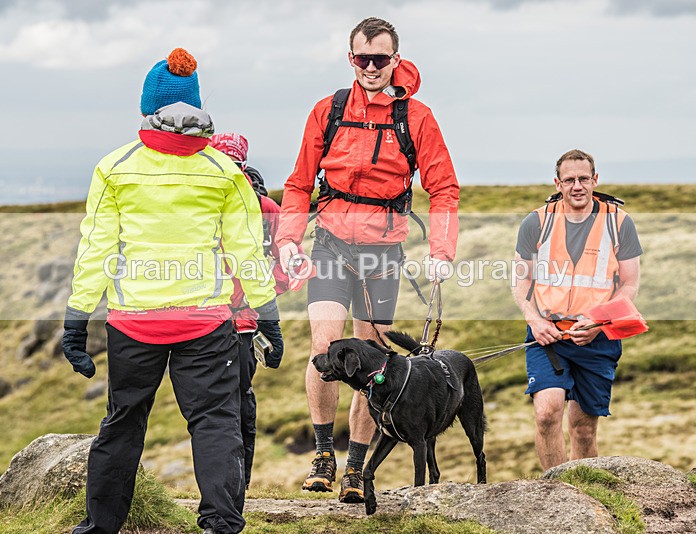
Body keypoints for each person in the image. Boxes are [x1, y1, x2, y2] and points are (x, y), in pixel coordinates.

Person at [61, 49, 281, 534]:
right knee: (215, 421)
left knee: (124, 421)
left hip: (133, 322)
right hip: (205, 323)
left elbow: (96, 249)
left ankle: (100, 527)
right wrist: (268, 316)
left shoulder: (114, 167)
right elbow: (247, 251)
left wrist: (77, 319)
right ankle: (221, 524)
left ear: (148, 108)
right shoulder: (224, 171)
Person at [275, 17, 460, 503]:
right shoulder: (328, 110)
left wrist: (441, 252)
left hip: (383, 252)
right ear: (350, 58)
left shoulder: (416, 117)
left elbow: (443, 188)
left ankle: (355, 469)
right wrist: (289, 240)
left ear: (395, 59)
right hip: (331, 244)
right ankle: (322, 456)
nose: (372, 67)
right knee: (324, 345)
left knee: (372, 357)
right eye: (363, 58)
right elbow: (298, 182)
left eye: (381, 58)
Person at [511, 149, 642, 470]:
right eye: (569, 180)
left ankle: (581, 491)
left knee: (583, 430)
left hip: (597, 338)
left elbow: (629, 285)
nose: (577, 186)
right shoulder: (536, 222)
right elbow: (520, 279)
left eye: (584, 178)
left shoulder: (619, 223)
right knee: (546, 413)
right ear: (557, 184)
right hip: (547, 335)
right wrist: (534, 319)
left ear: (595, 180)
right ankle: (554, 491)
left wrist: (598, 323)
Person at [209, 132, 290, 491]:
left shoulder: (264, 209)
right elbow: (282, 271)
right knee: (231, 406)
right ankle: (230, 490)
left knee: (228, 405)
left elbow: (286, 264)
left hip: (229, 322)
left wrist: (261, 300)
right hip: (226, 322)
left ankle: (231, 490)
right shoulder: (263, 208)